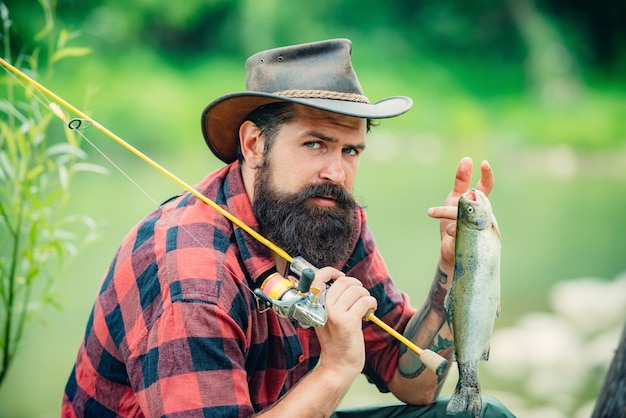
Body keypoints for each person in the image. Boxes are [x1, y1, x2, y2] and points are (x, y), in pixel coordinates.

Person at [62, 39, 514, 417]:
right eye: (315, 144)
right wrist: (336, 368)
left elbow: (412, 383)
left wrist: (457, 268)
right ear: (254, 144)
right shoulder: (193, 277)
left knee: (486, 415)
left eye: (351, 151)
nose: (336, 172)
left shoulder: (330, 218)